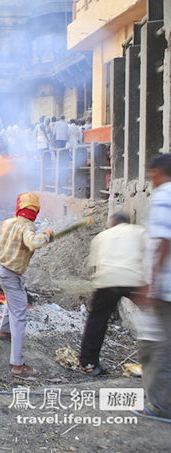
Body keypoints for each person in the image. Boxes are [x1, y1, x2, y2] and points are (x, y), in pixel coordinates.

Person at [0, 193, 54, 378]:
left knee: (13, 301)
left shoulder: (8, 222)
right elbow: (33, 243)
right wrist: (47, 234)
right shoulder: (27, 228)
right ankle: (18, 365)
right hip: (10, 274)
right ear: (35, 211)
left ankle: (4, 331)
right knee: (19, 315)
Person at [79, 213, 147, 376]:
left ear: (113, 223)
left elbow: (95, 264)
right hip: (133, 279)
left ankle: (89, 363)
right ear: (127, 222)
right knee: (156, 317)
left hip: (107, 281)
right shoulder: (139, 231)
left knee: (97, 320)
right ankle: (157, 362)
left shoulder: (101, 237)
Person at [136, 153, 171, 417]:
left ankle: (160, 405)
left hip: (164, 286)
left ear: (159, 171)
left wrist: (152, 284)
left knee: (158, 346)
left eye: (150, 171)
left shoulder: (164, 196)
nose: (149, 177)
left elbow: (163, 241)